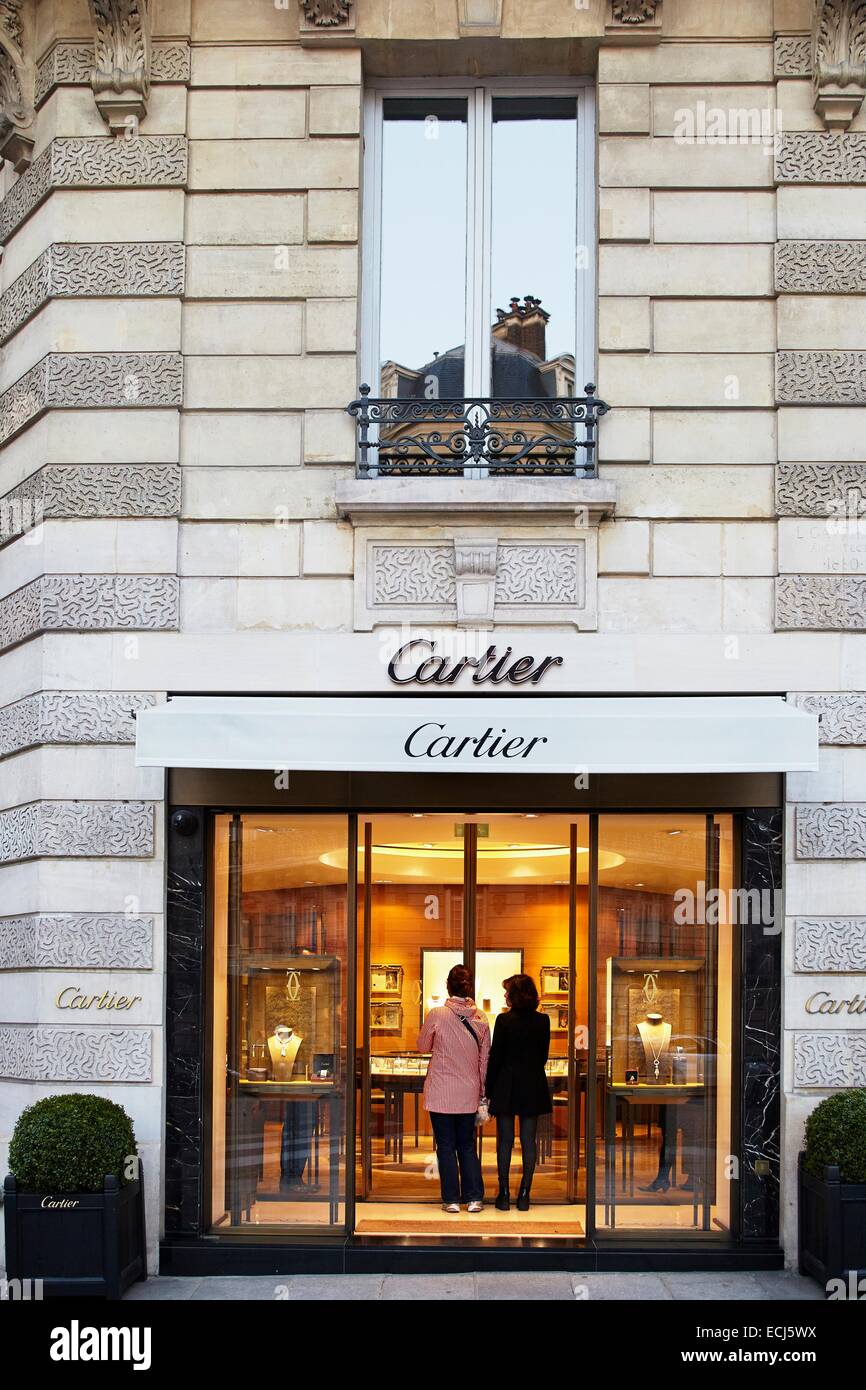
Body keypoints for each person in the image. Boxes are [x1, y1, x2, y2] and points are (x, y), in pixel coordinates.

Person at [417, 964, 490, 1214]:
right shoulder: (480, 1018)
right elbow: (484, 1060)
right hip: (468, 1092)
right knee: (467, 1145)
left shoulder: (436, 1014)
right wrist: (481, 1091)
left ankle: (450, 1199)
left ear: (448, 986)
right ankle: (474, 1198)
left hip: (441, 1091)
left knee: (445, 1145)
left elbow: (422, 1046)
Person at [486, 974, 551, 1212]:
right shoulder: (543, 1020)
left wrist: (489, 1088)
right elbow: (543, 1056)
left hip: (506, 1083)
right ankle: (525, 1194)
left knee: (504, 1141)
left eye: (507, 991)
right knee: (528, 1141)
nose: (505, 995)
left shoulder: (503, 1021)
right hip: (532, 1083)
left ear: (515, 995)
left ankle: (503, 1194)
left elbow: (496, 1058)